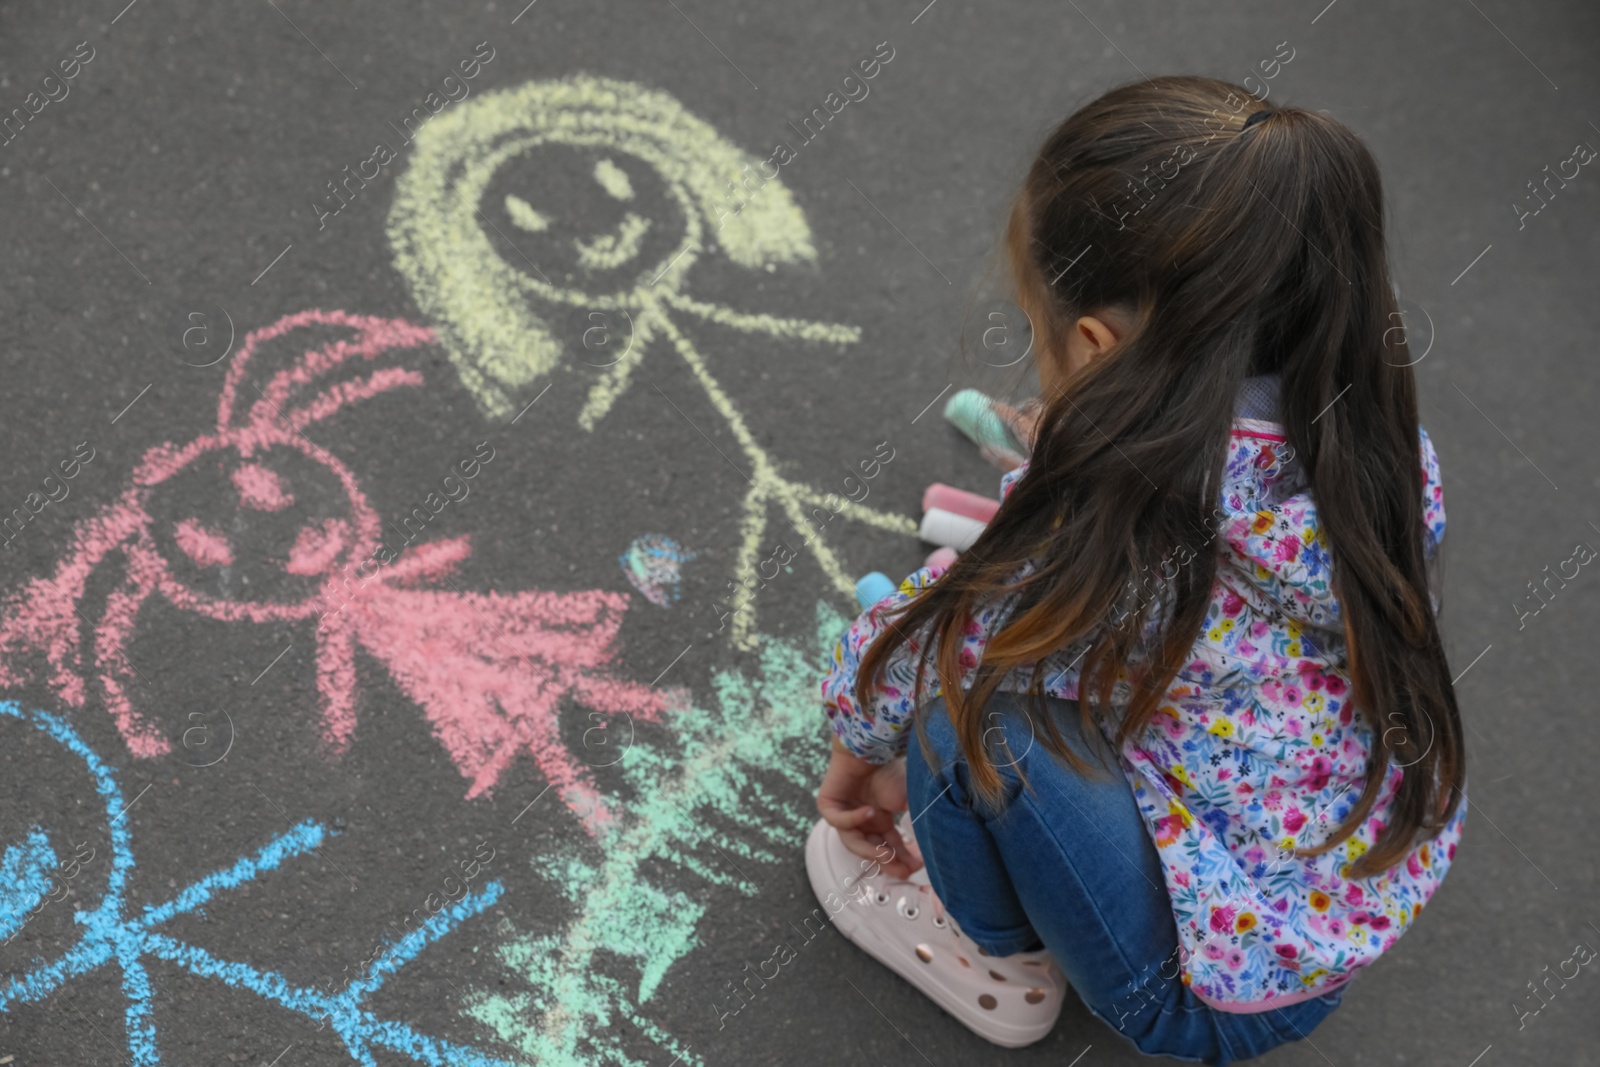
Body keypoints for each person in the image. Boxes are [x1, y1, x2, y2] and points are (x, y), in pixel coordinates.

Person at [806, 75, 1466, 1065]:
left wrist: (855, 755)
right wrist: (1083, 451)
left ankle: (994, 955)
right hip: (1332, 913)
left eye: (1043, 339)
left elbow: (935, 635)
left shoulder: (1117, 531)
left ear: (1096, 346)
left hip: (1196, 997)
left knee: (971, 705)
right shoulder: (1379, 448)